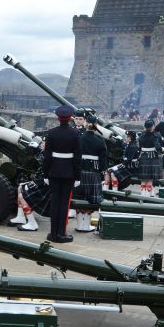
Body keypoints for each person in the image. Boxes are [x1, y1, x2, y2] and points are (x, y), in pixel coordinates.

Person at [42, 104, 82, 243]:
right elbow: (77, 158)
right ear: (70, 118)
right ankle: (61, 233)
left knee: (55, 203)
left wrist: (45, 174)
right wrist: (78, 176)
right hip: (69, 172)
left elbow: (47, 156)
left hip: (53, 171)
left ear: (58, 118)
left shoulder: (51, 133)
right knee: (64, 204)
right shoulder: (75, 134)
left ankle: (53, 234)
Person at [75, 118, 107, 232]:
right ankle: (86, 226)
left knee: (79, 198)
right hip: (94, 172)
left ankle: (79, 225)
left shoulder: (80, 138)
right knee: (91, 200)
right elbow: (103, 161)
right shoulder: (100, 140)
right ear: (96, 126)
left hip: (80, 170)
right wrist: (103, 175)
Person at [138, 120, 163, 196]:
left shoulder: (141, 136)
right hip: (152, 158)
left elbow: (139, 147)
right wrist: (162, 151)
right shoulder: (155, 136)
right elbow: (158, 148)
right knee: (149, 179)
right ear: (152, 127)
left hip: (143, 157)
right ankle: (148, 196)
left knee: (143, 179)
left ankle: (143, 195)